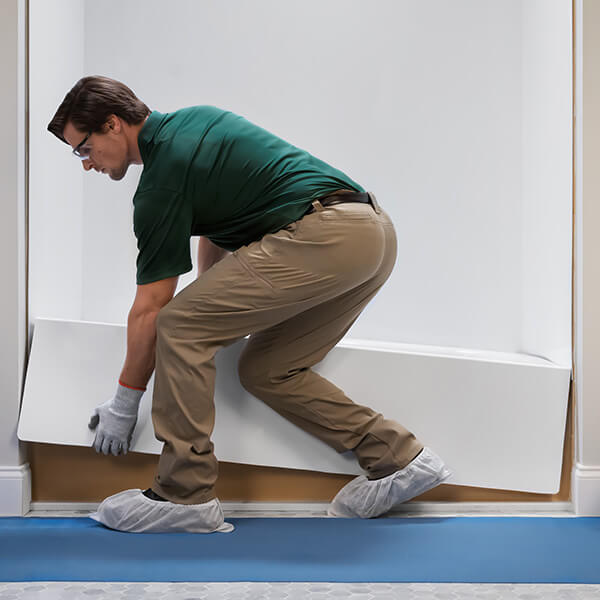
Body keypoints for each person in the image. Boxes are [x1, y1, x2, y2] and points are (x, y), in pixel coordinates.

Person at [47, 75, 452, 534]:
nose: (86, 164)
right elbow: (219, 223)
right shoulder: (193, 124)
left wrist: (124, 404)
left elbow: (151, 311)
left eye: (83, 148)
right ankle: (399, 458)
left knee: (178, 323)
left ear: (113, 125)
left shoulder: (160, 184)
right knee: (267, 369)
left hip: (325, 236)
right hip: (371, 235)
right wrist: (216, 300)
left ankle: (185, 493)